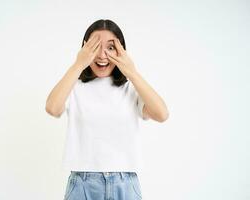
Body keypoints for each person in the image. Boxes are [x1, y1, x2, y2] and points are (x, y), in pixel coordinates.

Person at [45, 19, 169, 200]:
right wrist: (78, 64)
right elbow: (52, 108)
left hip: (125, 184)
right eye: (95, 47)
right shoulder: (74, 87)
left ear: (121, 51)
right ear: (84, 49)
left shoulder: (131, 88)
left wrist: (132, 72)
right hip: (82, 184)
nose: (102, 55)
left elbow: (162, 114)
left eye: (110, 47)